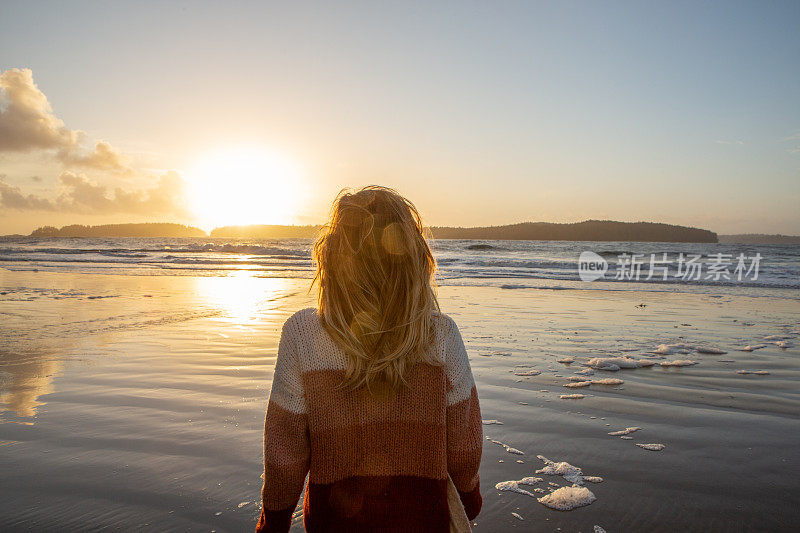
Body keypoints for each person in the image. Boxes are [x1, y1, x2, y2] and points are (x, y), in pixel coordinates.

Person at [256, 186, 482, 532]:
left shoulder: (303, 333)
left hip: (335, 521)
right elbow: (464, 443)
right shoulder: (441, 335)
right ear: (414, 259)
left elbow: (284, 452)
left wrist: (275, 519)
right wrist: (468, 495)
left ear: (331, 257)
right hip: (423, 520)